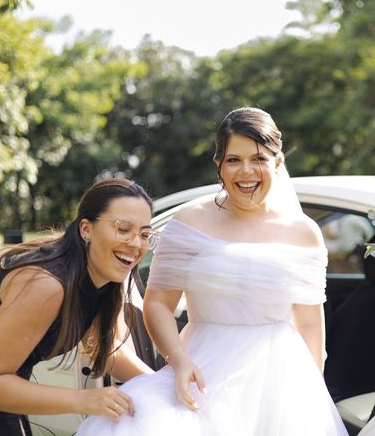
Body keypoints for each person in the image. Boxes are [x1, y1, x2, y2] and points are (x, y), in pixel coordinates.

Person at [77, 108, 348, 435]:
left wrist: (311, 389)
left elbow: (308, 321)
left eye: (258, 159)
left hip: (281, 379)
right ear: (219, 165)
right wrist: (178, 361)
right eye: (234, 160)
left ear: (277, 164)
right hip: (202, 367)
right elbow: (158, 303)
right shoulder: (189, 222)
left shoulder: (304, 233)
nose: (246, 171)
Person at [0, 178, 156, 435]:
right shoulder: (45, 286)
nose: (136, 244)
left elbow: (110, 351)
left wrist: (162, 387)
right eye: (123, 229)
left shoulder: (105, 280)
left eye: (145, 234)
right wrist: (83, 400)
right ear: (86, 229)